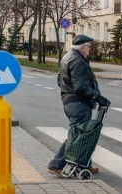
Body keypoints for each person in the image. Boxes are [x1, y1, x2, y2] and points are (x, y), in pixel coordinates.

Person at [47, 34, 110, 177]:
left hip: (71, 101)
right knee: (77, 136)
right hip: (78, 103)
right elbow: (81, 87)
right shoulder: (78, 62)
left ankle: (84, 163)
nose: (90, 50)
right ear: (83, 47)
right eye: (89, 47)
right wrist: (97, 96)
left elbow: (59, 80)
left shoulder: (68, 56)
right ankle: (56, 165)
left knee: (82, 134)